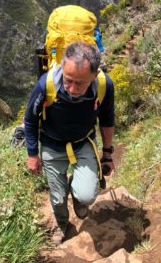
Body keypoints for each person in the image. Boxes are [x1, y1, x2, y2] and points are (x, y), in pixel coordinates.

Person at [24, 41, 115, 245]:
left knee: (87, 195)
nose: (73, 88)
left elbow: (107, 120)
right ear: (63, 68)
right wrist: (32, 154)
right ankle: (61, 223)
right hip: (51, 144)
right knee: (57, 197)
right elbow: (30, 119)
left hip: (83, 143)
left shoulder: (103, 85)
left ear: (94, 75)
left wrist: (107, 154)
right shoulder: (45, 85)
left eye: (80, 83)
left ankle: (78, 196)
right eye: (68, 80)